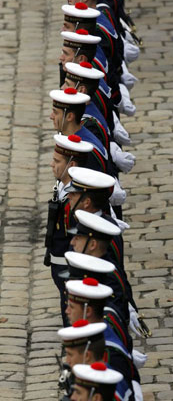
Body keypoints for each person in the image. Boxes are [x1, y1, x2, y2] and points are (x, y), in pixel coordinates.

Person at [45, 133, 93, 326]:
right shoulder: (63, 187)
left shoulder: (75, 203)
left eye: (57, 161)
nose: (51, 165)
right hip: (59, 265)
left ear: (71, 166)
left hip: (68, 269)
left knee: (72, 320)